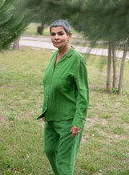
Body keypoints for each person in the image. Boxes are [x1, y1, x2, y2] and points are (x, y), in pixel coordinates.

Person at [37, 19, 89, 175]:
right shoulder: (55, 55)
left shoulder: (77, 59)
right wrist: (45, 110)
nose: (56, 37)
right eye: (53, 34)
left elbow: (83, 93)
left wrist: (78, 121)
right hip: (51, 117)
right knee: (50, 150)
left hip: (68, 120)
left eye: (60, 33)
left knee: (65, 161)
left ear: (69, 35)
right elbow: (50, 85)